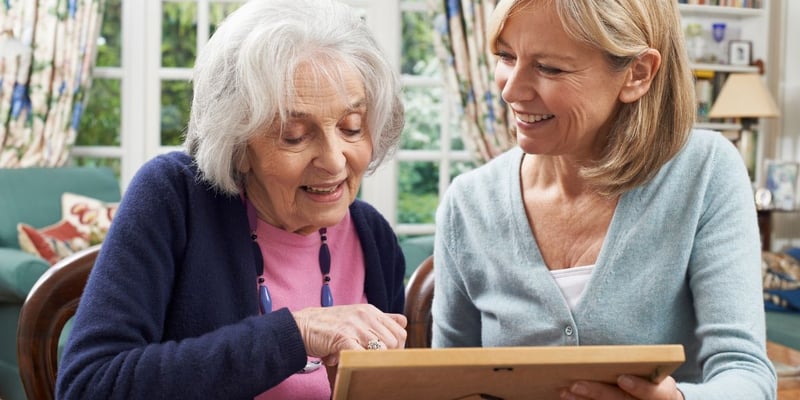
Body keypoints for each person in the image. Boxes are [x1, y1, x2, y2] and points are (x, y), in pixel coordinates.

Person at [56, 0, 407, 398]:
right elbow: (89, 386)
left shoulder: (373, 237)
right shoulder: (174, 199)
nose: (332, 160)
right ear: (237, 143)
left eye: (351, 127)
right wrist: (297, 333)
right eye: (294, 135)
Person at [431, 1, 776, 399]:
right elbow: (448, 382)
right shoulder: (468, 203)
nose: (511, 89)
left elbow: (746, 374)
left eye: (549, 68)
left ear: (637, 73)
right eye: (506, 56)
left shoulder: (706, 171)